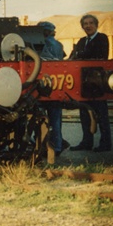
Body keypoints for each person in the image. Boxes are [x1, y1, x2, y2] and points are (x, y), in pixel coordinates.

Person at [69, 14, 112, 152]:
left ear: (96, 24)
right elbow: (72, 57)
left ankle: (105, 144)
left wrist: (80, 55)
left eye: (91, 23)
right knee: (84, 114)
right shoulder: (81, 41)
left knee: (101, 114)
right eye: (85, 24)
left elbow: (99, 55)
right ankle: (86, 142)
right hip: (84, 83)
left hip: (98, 83)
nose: (88, 26)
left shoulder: (102, 38)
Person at [38, 21, 66, 155]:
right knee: (56, 119)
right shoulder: (59, 45)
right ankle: (58, 145)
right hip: (56, 85)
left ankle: (43, 145)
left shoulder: (42, 43)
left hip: (42, 85)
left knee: (41, 118)